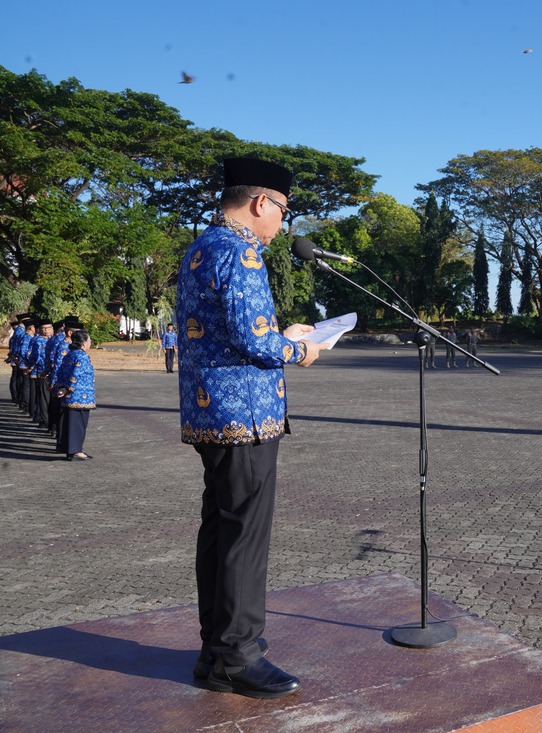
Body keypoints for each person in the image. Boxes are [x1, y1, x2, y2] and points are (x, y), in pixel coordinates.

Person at [176, 158, 321, 700]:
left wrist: (277, 333)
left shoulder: (200, 247)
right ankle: (238, 655)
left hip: (210, 412)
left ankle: (215, 650)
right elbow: (258, 344)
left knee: (219, 529)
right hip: (247, 416)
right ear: (262, 202)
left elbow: (229, 330)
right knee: (244, 536)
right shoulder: (240, 250)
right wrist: (300, 348)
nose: (283, 223)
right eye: (283, 210)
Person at [53, 329, 95, 460]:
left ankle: (71, 450)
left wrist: (60, 388)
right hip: (80, 396)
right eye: (89, 340)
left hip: (70, 396)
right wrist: (68, 388)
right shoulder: (81, 356)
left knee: (70, 424)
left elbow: (60, 372)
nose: (90, 343)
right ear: (83, 343)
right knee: (78, 424)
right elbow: (75, 375)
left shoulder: (69, 355)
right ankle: (76, 451)